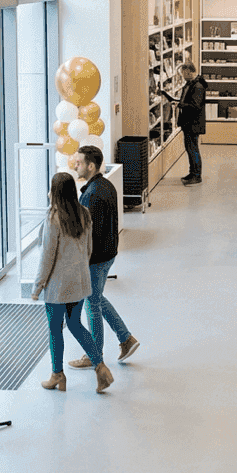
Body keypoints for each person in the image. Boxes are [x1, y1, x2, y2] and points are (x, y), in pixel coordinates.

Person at [32, 172, 114, 394]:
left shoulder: (53, 218)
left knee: (55, 329)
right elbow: (88, 250)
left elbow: (47, 256)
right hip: (79, 282)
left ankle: (57, 375)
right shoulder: (84, 214)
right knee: (76, 324)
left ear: (55, 193)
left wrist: (37, 286)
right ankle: (100, 366)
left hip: (58, 286)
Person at [68, 144, 139, 369]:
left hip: (95, 259)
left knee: (92, 305)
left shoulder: (91, 196)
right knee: (96, 299)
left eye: (79, 162)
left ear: (91, 166)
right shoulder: (106, 185)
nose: (75, 165)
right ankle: (126, 339)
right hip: (108, 254)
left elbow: (89, 235)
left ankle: (94, 354)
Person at [166, 62, 206, 185]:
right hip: (188, 122)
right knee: (190, 149)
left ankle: (197, 175)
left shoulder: (198, 86)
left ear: (189, 71)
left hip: (193, 123)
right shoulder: (191, 83)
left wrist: (180, 104)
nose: (182, 76)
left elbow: (195, 106)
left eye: (183, 73)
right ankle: (192, 173)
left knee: (193, 149)